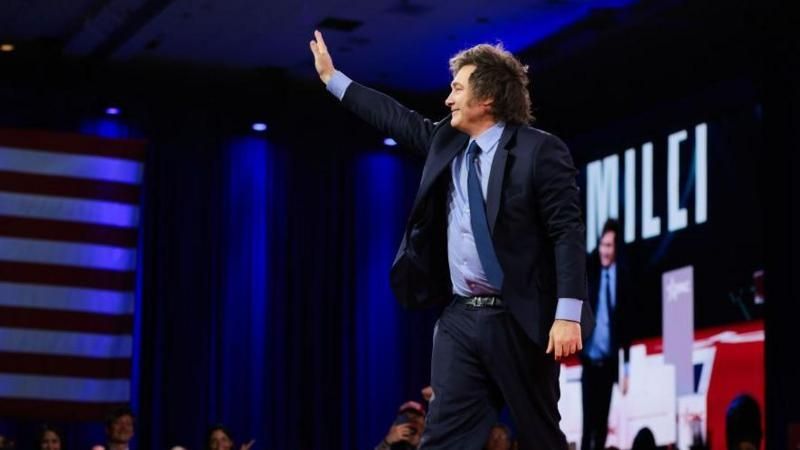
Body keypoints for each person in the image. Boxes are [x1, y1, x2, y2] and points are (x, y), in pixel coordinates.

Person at [310, 30, 593, 450]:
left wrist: (568, 314)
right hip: (460, 317)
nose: (448, 99)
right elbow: (395, 117)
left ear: (488, 98)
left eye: (457, 89)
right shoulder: (447, 142)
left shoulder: (540, 151)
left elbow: (566, 232)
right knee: (443, 439)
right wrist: (333, 79)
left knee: (539, 437)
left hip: (517, 317)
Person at [580, 219, 632, 450]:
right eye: (603, 245)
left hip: (609, 365)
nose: (605, 251)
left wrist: (626, 370)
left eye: (610, 246)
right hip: (589, 362)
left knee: (601, 427)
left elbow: (627, 327)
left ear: (617, 248)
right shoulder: (592, 267)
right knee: (587, 427)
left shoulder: (624, 277)